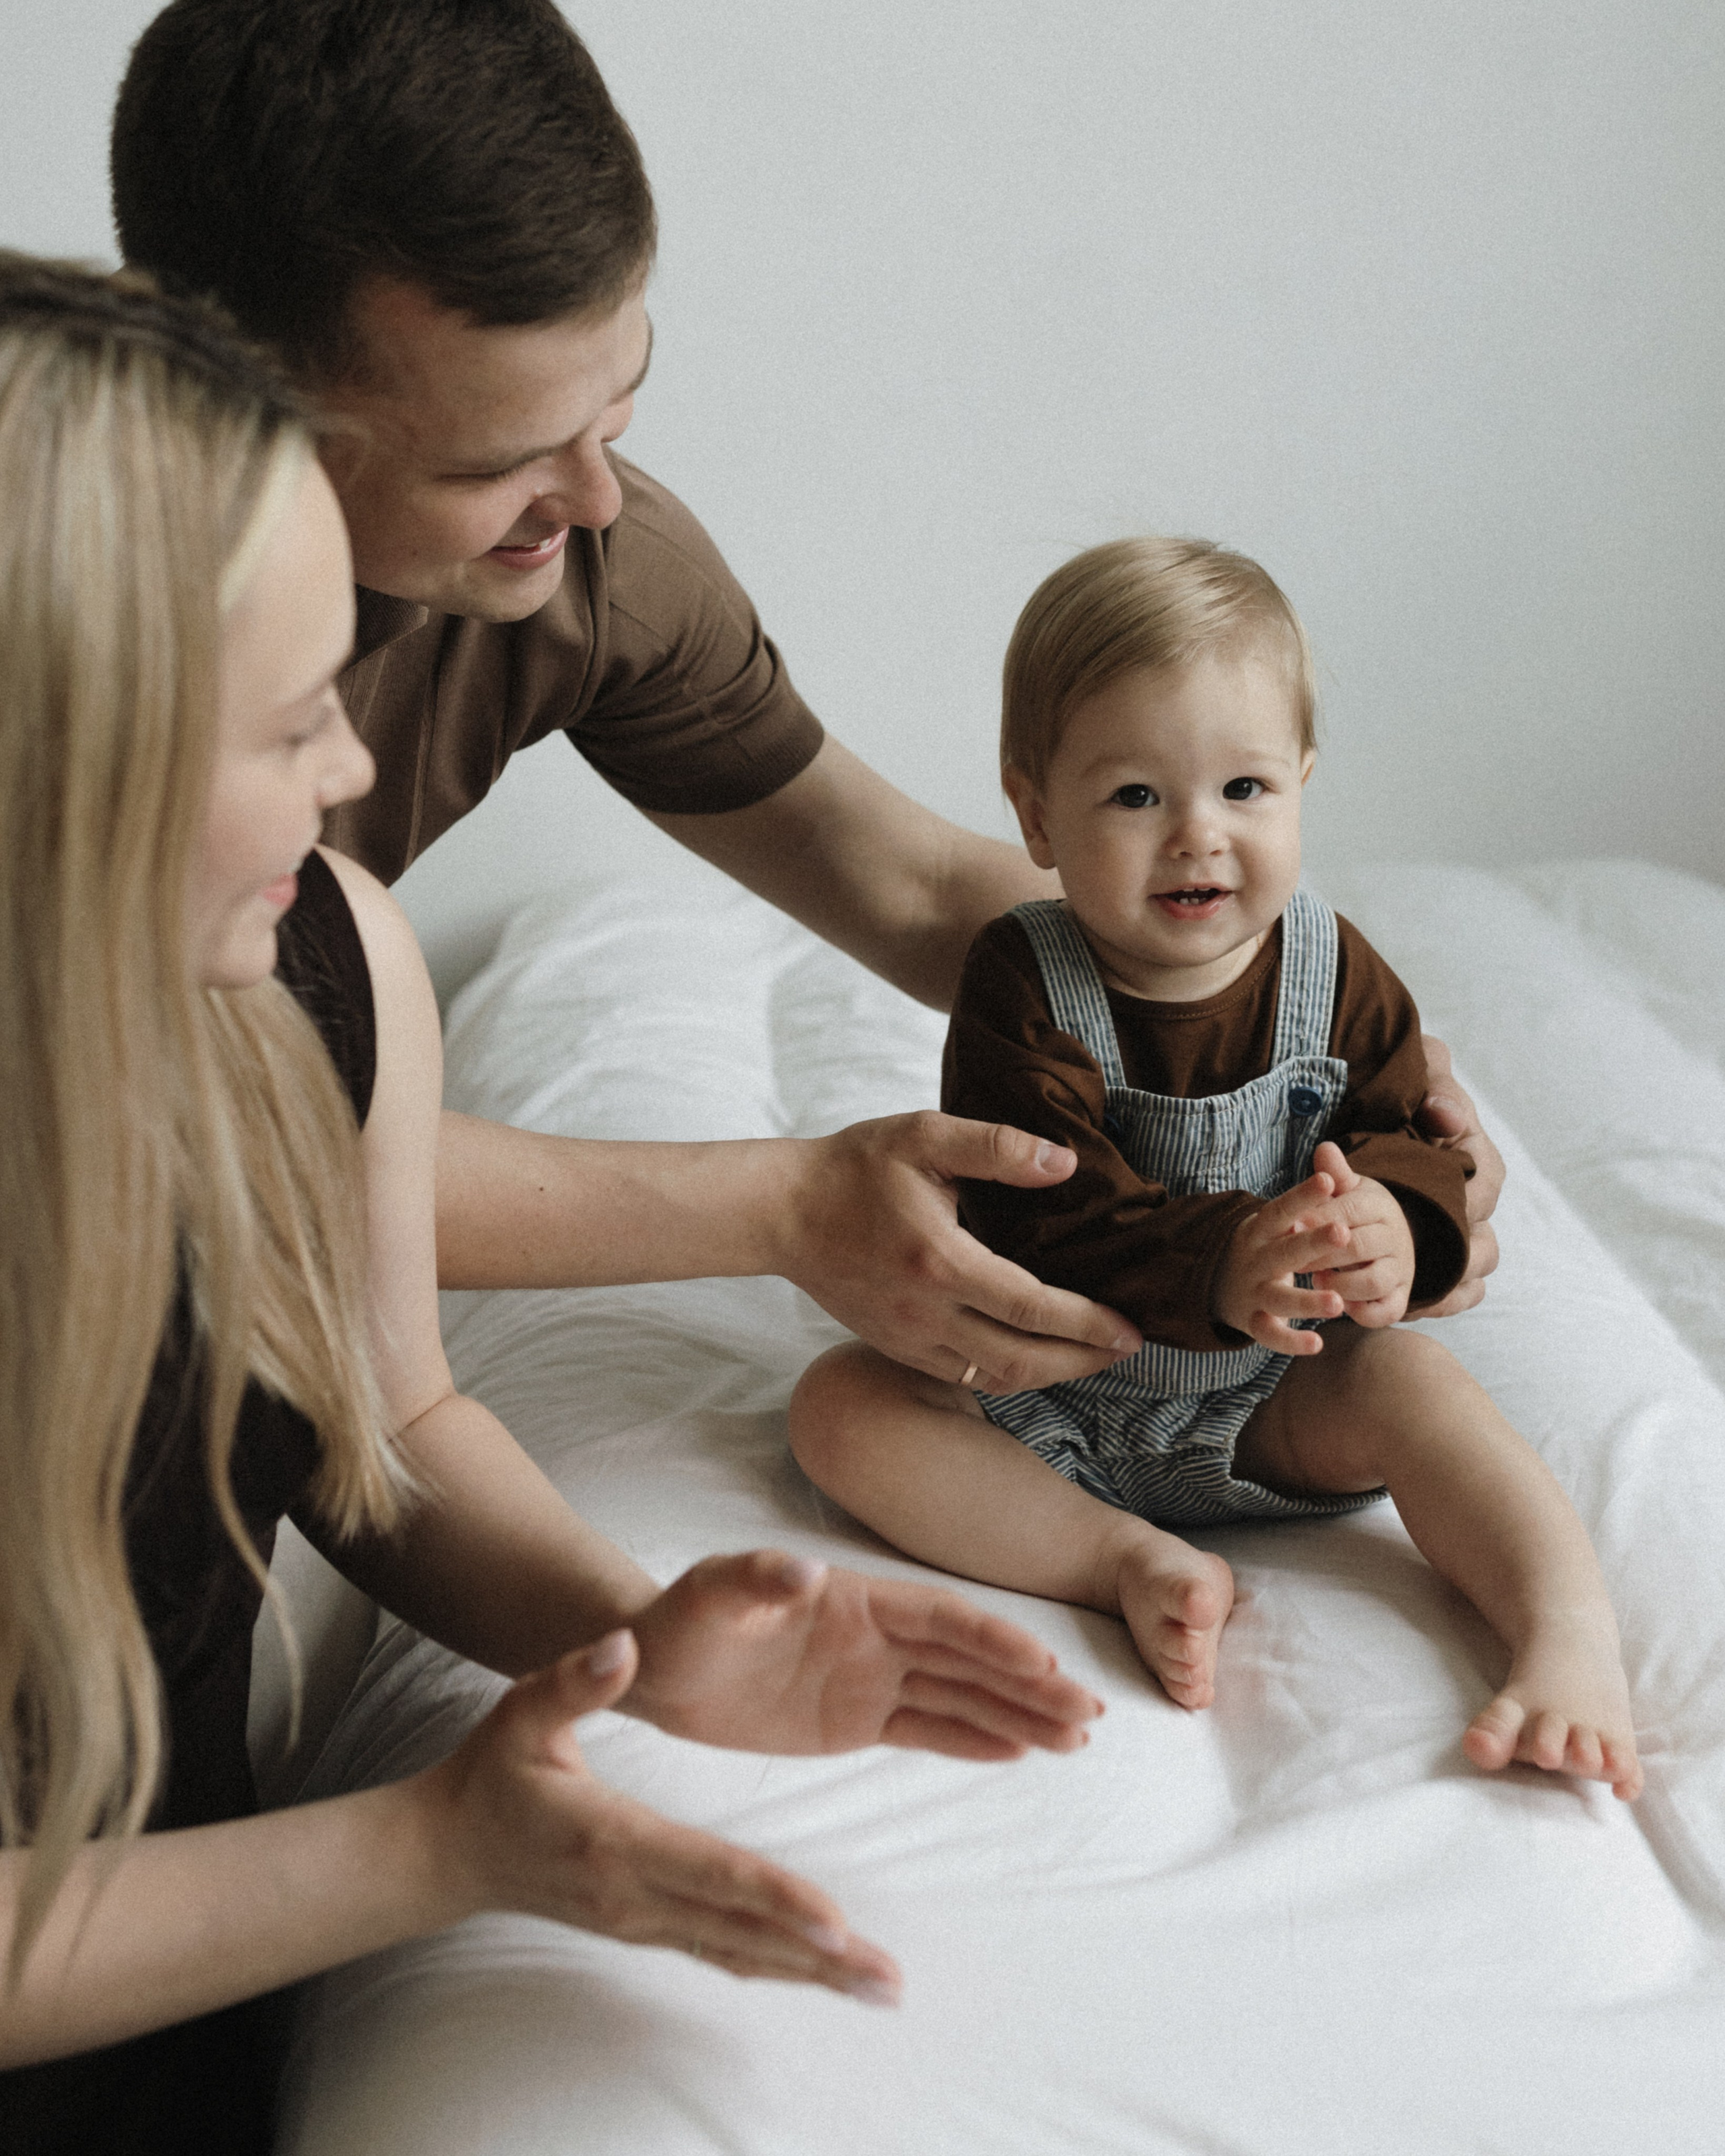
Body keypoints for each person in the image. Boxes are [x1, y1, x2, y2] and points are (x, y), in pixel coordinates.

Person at [0, 256, 1106, 2154]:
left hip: (176, 1982)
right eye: (284, 733)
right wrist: (437, 1845)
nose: (354, 771)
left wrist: (636, 1633)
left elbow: (390, 1419)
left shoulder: (320, 969)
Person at [108, 0, 1504, 1394]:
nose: (595, 500)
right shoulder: (79, 647)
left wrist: (1289, 1033)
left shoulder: (593, 556)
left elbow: (890, 879)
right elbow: (198, 1126)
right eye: (499, 460)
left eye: (619, 409)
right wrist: (779, 1207)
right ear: (226, 394)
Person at [788, 537, 1640, 1803]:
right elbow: (1044, 1208)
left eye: (1245, 789)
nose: (1199, 836)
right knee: (839, 1407)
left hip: (1272, 1400)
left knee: (1419, 1382)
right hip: (1049, 1394)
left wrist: (1407, 1227)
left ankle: (1570, 1636)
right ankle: (1118, 1561)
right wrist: (1223, 1257)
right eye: (1135, 797)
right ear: (1035, 814)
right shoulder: (1023, 982)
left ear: (1301, 782)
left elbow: (1416, 1128)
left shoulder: (1332, 969)